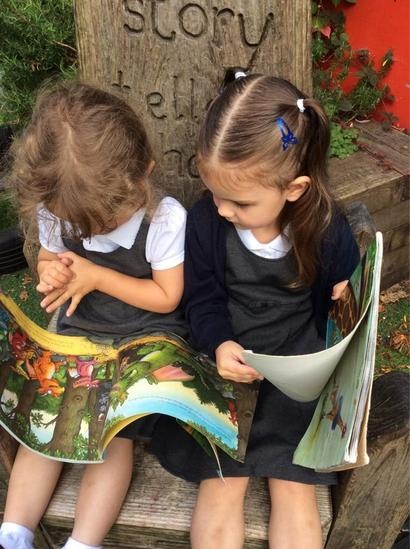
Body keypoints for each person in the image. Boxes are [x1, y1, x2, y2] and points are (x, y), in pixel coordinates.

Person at [149, 69, 360, 549]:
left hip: (295, 373)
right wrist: (219, 343)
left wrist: (344, 290)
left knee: (295, 486)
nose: (223, 209)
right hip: (226, 365)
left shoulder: (324, 227)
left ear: (294, 188)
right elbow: (202, 298)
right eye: (214, 192)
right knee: (221, 483)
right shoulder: (207, 222)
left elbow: (344, 286)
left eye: (239, 202)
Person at [0, 82, 187, 549]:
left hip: (142, 335)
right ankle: (14, 531)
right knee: (43, 425)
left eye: (105, 223)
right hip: (81, 328)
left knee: (108, 435)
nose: (92, 234)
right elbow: (49, 256)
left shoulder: (164, 218)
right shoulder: (57, 206)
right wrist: (51, 272)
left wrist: (97, 276)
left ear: (144, 173)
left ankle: (84, 542)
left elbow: (167, 296)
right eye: (81, 227)